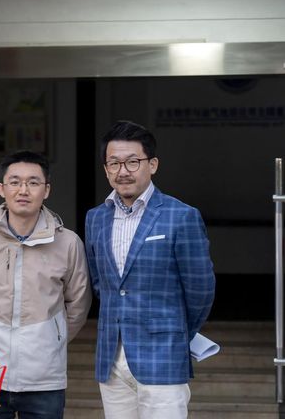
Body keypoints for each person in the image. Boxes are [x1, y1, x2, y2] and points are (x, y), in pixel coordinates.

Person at [85, 120, 216, 419]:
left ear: (152, 164)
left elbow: (201, 290)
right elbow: (101, 283)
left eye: (133, 162)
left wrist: (174, 333)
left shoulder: (181, 216)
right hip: (111, 357)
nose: (123, 171)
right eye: (114, 163)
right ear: (106, 169)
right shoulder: (95, 218)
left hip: (163, 355)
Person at [0, 150, 92, 419]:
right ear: (1, 189)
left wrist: (53, 336)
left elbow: (78, 303)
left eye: (33, 182)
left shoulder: (68, 243)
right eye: (15, 182)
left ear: (46, 190)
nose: (23, 190)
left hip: (44, 377)